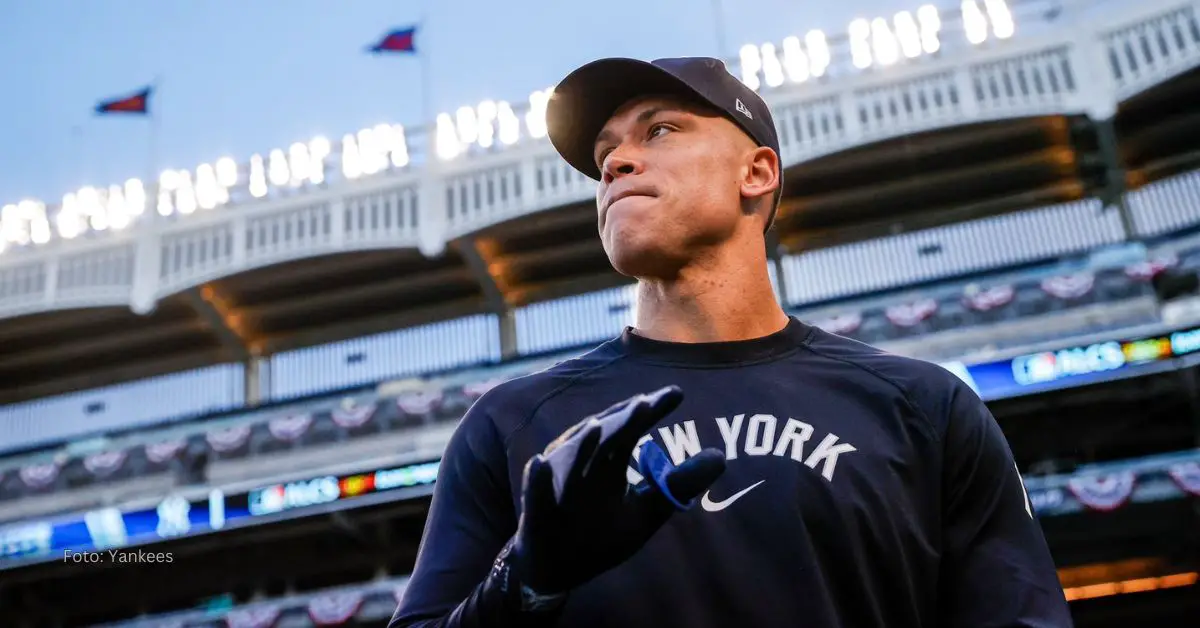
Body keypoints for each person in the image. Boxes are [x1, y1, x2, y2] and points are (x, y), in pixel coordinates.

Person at [389, 56, 1073, 628]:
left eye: (658, 130)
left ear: (758, 173)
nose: (616, 163)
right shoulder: (511, 424)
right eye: (604, 155)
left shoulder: (925, 408)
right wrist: (524, 582)